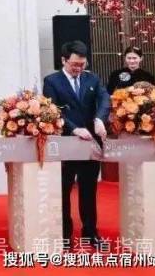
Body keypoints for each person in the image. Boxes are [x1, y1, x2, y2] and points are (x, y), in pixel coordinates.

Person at [43, 40, 109, 250]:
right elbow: (53, 111)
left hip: (90, 143)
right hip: (66, 143)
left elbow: (104, 99)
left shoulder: (92, 78)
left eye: (82, 64)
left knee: (89, 190)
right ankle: (65, 234)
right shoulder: (52, 81)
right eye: (74, 64)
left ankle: (90, 232)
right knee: (63, 190)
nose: (79, 68)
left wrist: (99, 119)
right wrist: (73, 129)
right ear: (64, 60)